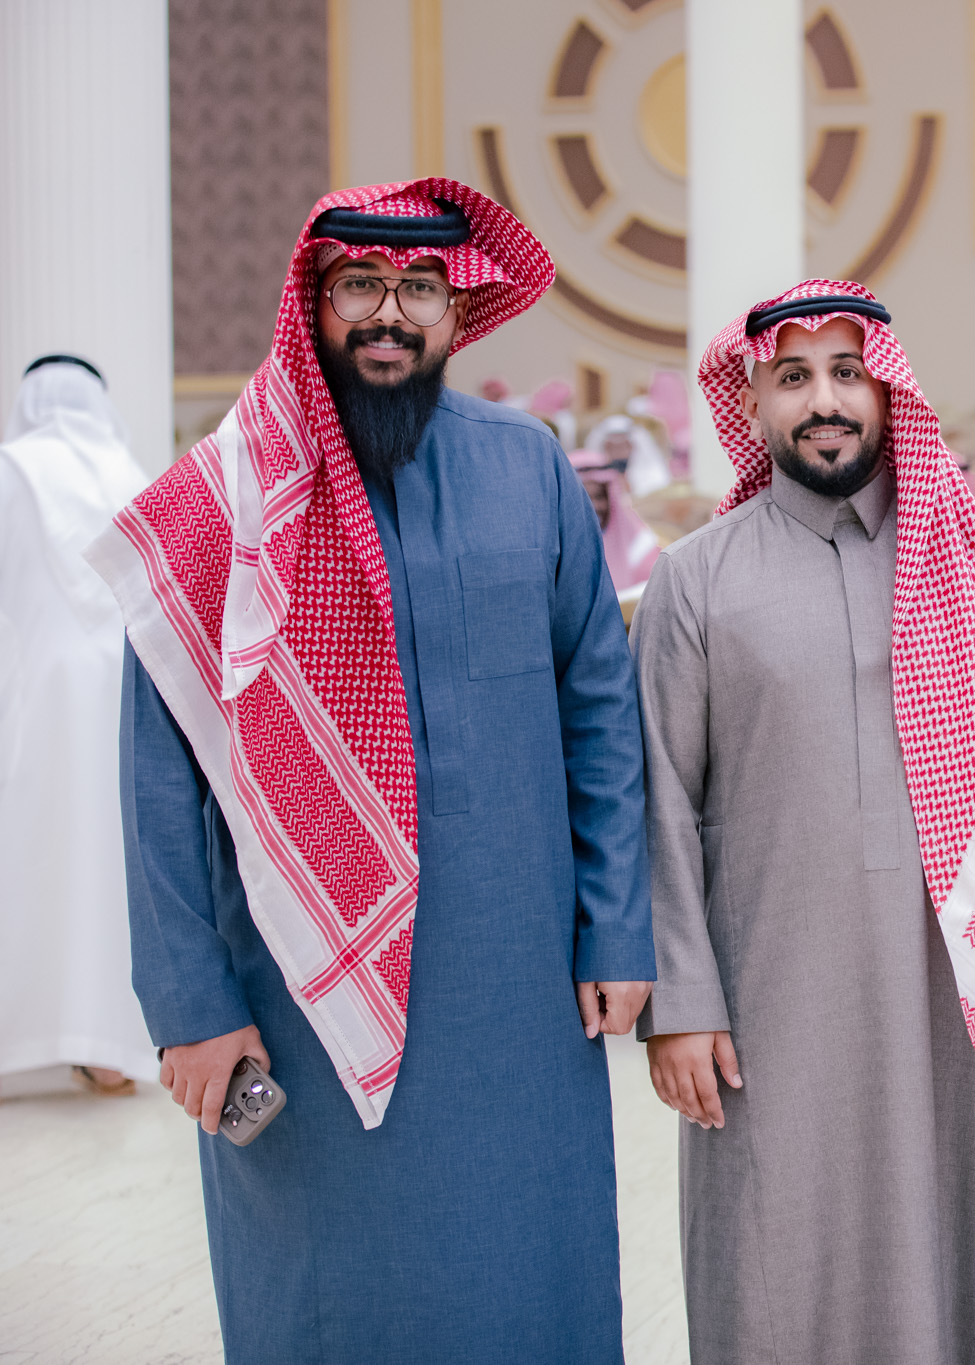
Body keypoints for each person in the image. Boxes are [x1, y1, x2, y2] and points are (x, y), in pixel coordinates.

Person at [92, 180, 653, 1362]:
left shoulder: (529, 470)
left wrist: (614, 928)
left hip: (517, 991)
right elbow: (158, 783)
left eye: (419, 289)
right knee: (330, 1305)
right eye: (359, 285)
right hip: (297, 997)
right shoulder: (216, 503)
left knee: (523, 1290)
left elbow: (599, 712)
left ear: (461, 310)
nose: (389, 314)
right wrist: (192, 1008)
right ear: (313, 300)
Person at [632, 280, 975, 1364]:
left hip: (968, 985)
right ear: (753, 401)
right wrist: (680, 1003)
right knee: (780, 1250)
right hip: (771, 994)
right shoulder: (695, 580)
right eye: (793, 378)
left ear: (887, 391)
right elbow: (658, 800)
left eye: (847, 373)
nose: (824, 401)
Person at [0, 355, 154, 1095]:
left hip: (36, 687)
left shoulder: (13, 469)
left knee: (33, 851)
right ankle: (105, 1048)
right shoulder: (134, 478)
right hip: (122, 691)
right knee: (105, 861)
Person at [571, 445, 661, 595]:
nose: (594, 506)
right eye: (585, 498)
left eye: (599, 497)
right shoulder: (556, 549)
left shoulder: (640, 545)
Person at [588, 411, 673, 497]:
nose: (618, 452)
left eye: (623, 447)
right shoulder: (593, 476)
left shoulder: (653, 473)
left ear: (632, 446)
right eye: (611, 448)